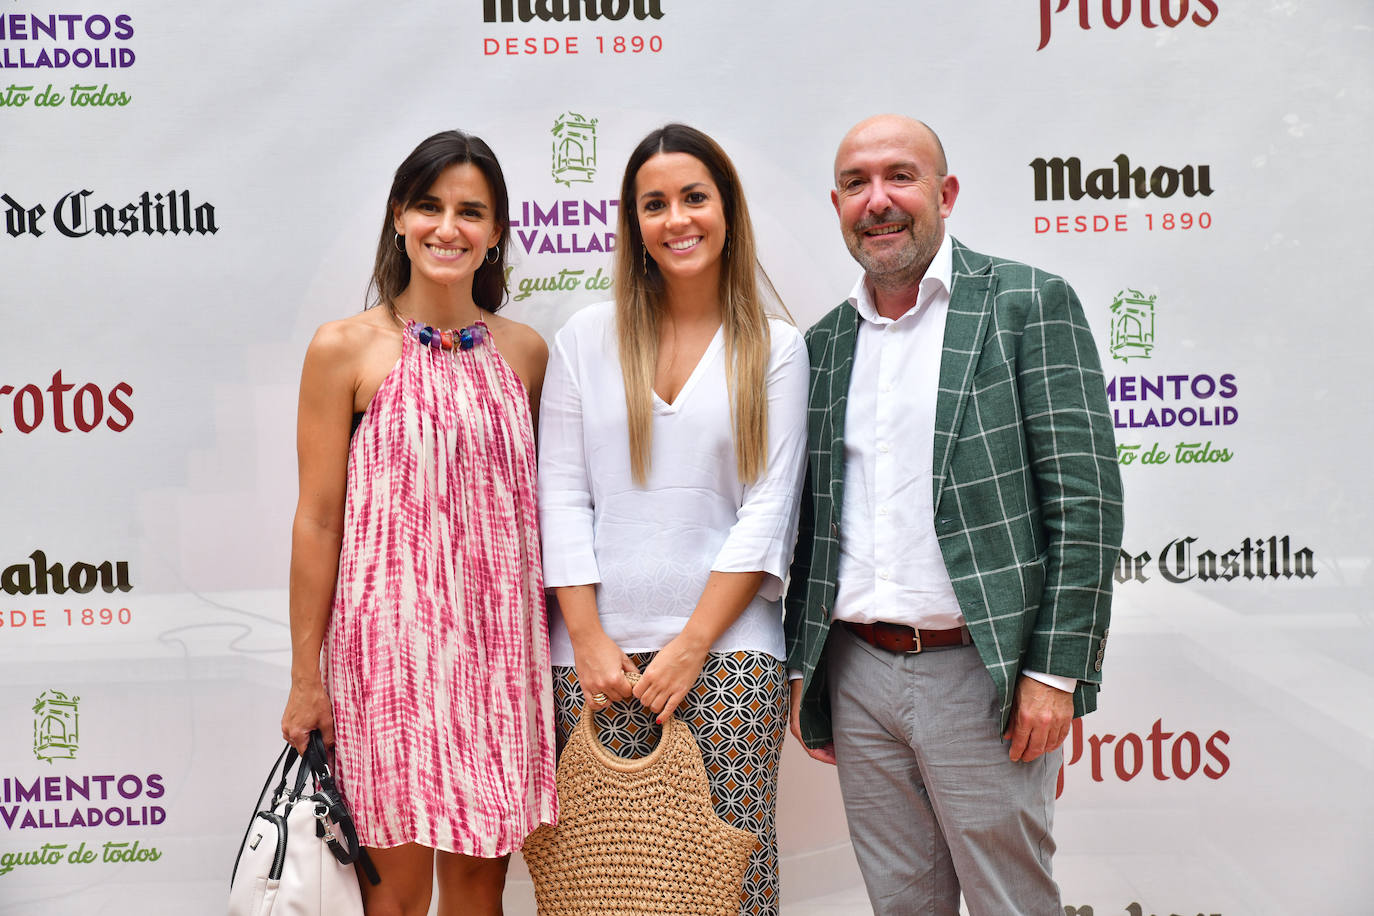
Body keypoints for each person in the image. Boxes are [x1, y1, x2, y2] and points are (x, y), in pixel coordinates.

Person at [784, 114, 1125, 916]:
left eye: (899, 176)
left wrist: (1055, 671)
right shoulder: (822, 345)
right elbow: (813, 518)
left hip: (986, 676)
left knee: (1012, 903)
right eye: (856, 184)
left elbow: (1086, 501)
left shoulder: (1026, 304)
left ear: (946, 193)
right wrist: (808, 669)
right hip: (859, 674)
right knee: (900, 905)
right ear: (836, 204)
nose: (878, 201)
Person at [279, 130, 556, 916]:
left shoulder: (526, 354)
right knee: (392, 898)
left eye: (472, 211)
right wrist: (308, 677)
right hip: (386, 659)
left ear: (497, 231)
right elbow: (319, 521)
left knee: (478, 890)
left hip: (500, 653)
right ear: (400, 216)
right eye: (430, 205)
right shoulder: (344, 348)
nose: (448, 227)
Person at [537, 123, 809, 916]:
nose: (676, 218)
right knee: (604, 886)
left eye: (694, 197)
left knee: (726, 884)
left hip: (730, 657)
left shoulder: (777, 349)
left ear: (727, 210)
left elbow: (769, 508)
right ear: (633, 224)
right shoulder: (585, 339)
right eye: (654, 204)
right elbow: (559, 495)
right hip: (595, 666)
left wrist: (692, 646)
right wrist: (586, 639)